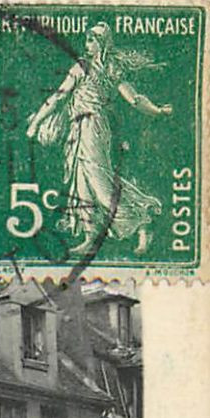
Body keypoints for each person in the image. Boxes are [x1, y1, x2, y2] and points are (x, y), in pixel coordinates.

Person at [24, 23, 172, 256]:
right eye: (87, 39)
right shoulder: (81, 66)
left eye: (93, 40)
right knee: (81, 182)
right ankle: (90, 236)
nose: (88, 44)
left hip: (94, 127)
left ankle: (141, 222)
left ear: (102, 43)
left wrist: (158, 111)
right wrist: (36, 122)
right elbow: (59, 97)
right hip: (77, 128)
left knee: (101, 185)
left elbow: (134, 99)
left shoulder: (111, 69)